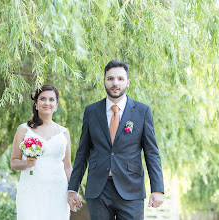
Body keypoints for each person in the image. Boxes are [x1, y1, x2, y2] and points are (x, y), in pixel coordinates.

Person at [68, 60, 164, 219]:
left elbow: (151, 153)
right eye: (110, 78)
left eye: (120, 79)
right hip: (98, 189)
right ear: (104, 81)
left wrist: (157, 189)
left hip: (131, 190)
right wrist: (73, 188)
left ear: (128, 82)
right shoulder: (91, 112)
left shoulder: (142, 112)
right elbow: (83, 152)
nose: (115, 83)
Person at [11, 84, 72, 220]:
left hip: (58, 190)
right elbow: (14, 162)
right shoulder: (23, 129)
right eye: (43, 99)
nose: (47, 103)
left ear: (56, 104)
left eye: (51, 99)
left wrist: (73, 191)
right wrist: (26, 163)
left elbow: (67, 167)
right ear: (36, 103)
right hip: (31, 189)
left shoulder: (64, 133)